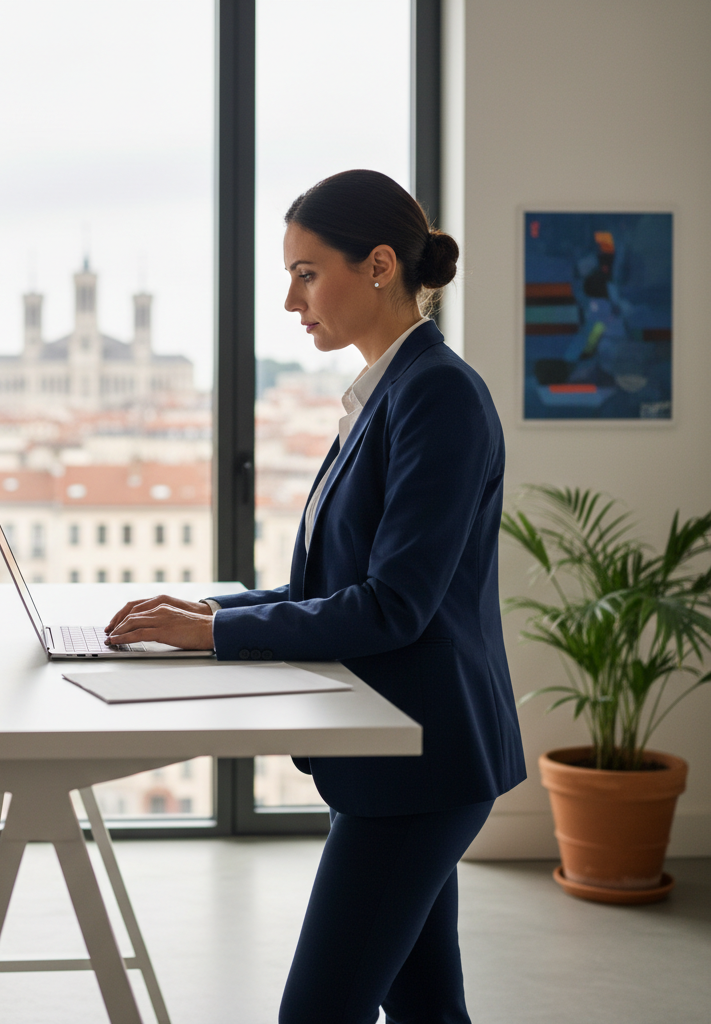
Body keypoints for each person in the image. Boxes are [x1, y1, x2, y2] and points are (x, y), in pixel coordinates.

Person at [105, 169, 526, 1024]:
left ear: (379, 266)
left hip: (424, 758)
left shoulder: (436, 395)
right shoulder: (387, 391)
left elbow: (392, 606)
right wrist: (210, 613)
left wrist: (214, 637)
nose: (291, 300)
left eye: (306, 273)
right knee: (428, 1010)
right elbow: (329, 588)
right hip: (400, 754)